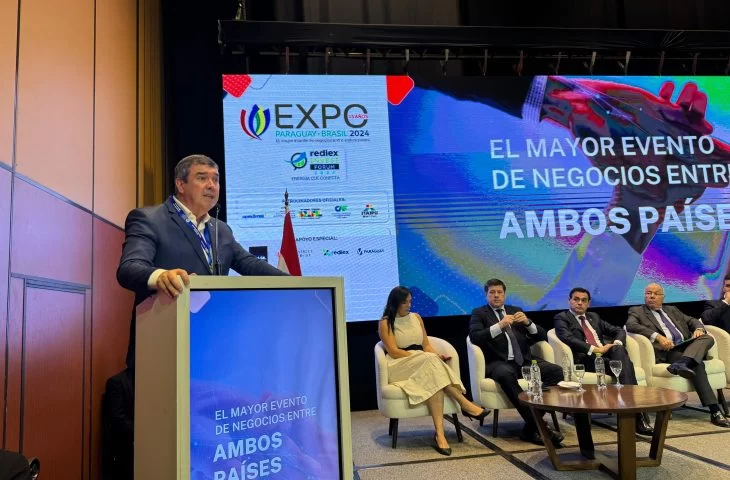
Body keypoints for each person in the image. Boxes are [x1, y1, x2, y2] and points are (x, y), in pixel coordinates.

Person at [117, 154, 287, 367]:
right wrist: (161, 276)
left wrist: (294, 282)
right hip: (164, 345)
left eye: (215, 179)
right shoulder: (150, 219)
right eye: (202, 178)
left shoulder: (221, 229)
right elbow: (129, 268)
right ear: (181, 184)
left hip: (212, 346)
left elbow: (249, 264)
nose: (211, 185)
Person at [378, 286, 489, 456]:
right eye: (405, 302)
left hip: (422, 362)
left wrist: (436, 356)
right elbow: (393, 351)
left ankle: (440, 434)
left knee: (433, 374)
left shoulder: (416, 317)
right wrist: (423, 357)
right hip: (398, 365)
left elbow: (426, 345)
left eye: (410, 302)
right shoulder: (385, 322)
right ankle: (465, 404)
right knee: (430, 361)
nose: (409, 305)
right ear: (395, 303)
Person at [469, 278, 565, 446]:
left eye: (499, 292)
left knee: (556, 371)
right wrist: (500, 325)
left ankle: (530, 428)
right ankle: (542, 427)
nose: (496, 295)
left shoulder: (516, 310)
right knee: (505, 374)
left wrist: (528, 323)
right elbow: (475, 337)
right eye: (492, 292)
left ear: (505, 294)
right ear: (486, 295)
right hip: (499, 362)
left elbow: (541, 336)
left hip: (525, 360)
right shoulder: (479, 313)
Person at [626, 283, 730, 427]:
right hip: (669, 351)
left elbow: (692, 320)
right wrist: (658, 337)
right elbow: (630, 325)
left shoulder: (672, 309)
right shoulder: (637, 311)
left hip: (686, 345)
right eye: (648, 293)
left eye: (655, 294)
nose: (651, 296)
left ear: (663, 297)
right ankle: (715, 411)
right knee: (696, 364)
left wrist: (698, 329)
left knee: (707, 337)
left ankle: (683, 362)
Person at [554, 287, 654, 435]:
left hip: (605, 356)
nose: (580, 303)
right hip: (586, 358)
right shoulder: (562, 317)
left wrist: (616, 343)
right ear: (569, 301)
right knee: (625, 366)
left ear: (588, 303)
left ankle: (632, 413)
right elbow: (567, 337)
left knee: (619, 351)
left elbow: (618, 330)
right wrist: (595, 349)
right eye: (576, 299)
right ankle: (637, 416)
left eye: (584, 300)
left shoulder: (593, 317)